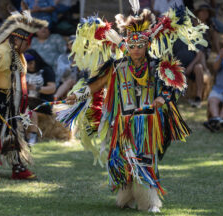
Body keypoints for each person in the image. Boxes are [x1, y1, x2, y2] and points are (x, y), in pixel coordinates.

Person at [58, 2, 207, 212]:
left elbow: (172, 86)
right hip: (122, 122)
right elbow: (96, 85)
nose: (136, 50)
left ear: (147, 45)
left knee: (144, 161)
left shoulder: (157, 66)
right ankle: (126, 196)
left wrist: (162, 99)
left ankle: (149, 201)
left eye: (140, 46)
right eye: (132, 46)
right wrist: (77, 95)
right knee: (123, 161)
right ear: (126, 46)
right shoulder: (117, 66)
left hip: (148, 122)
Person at [0, 12, 47, 180]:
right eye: (26, 43)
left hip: (13, 102)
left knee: (13, 134)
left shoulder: (17, 54)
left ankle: (13, 168)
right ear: (16, 39)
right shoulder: (1, 53)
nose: (27, 47)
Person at [24, 50, 56, 144]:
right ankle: (23, 134)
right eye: (26, 63)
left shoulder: (46, 70)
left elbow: (52, 88)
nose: (29, 65)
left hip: (43, 102)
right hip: (27, 100)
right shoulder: (22, 71)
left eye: (31, 63)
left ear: (36, 61)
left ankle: (33, 135)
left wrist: (36, 88)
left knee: (31, 111)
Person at [204, 47, 223, 131]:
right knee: (212, 100)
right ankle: (218, 120)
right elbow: (215, 68)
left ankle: (217, 121)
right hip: (218, 89)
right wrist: (221, 57)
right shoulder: (222, 55)